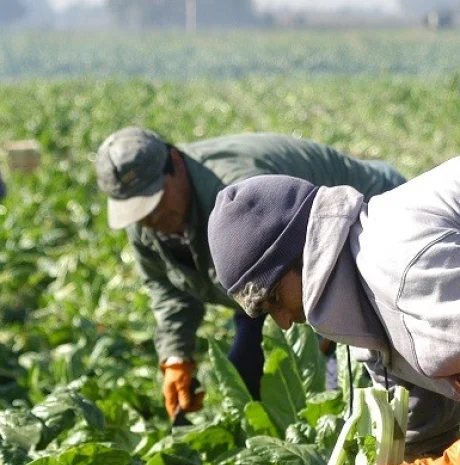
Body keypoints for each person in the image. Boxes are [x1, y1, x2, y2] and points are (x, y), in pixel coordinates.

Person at [207, 157, 460, 465]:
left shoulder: (402, 271)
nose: (285, 322)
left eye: (274, 299)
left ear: (301, 256)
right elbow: (427, 442)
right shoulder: (370, 326)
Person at [95, 127, 405, 420]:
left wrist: (326, 330)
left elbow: (310, 263)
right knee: (247, 369)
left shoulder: (238, 192)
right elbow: (167, 286)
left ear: (174, 162)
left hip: (360, 237)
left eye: (155, 201)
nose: (151, 218)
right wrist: (176, 355)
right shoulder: (148, 224)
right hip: (272, 281)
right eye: (138, 211)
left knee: (356, 383)